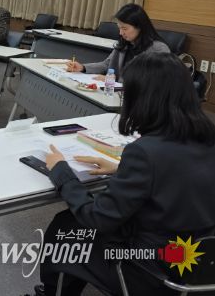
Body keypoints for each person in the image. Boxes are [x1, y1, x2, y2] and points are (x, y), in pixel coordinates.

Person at [36, 52, 215, 296]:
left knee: (66, 228)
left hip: (153, 268)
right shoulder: (206, 137)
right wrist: (121, 168)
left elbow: (98, 218)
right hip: (201, 261)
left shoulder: (145, 152)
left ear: (143, 99)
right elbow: (183, 173)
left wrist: (62, 172)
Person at [66, 3, 169, 81]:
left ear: (140, 27)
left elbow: (154, 82)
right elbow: (107, 64)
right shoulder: (125, 43)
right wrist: (83, 68)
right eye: (119, 28)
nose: (120, 33)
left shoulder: (158, 49)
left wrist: (115, 82)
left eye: (125, 28)